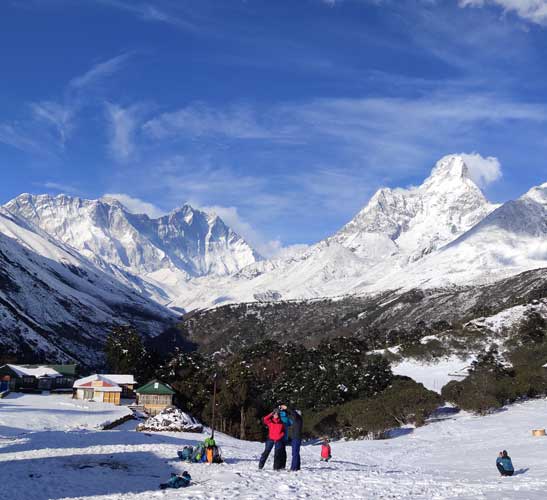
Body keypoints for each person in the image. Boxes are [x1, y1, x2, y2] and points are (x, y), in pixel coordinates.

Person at [278, 406, 293, 470]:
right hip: (284, 437)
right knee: (283, 452)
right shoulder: (286, 418)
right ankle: (282, 465)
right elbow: (291, 423)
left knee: (278, 452)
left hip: (278, 436)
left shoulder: (278, 417)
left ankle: (278, 465)